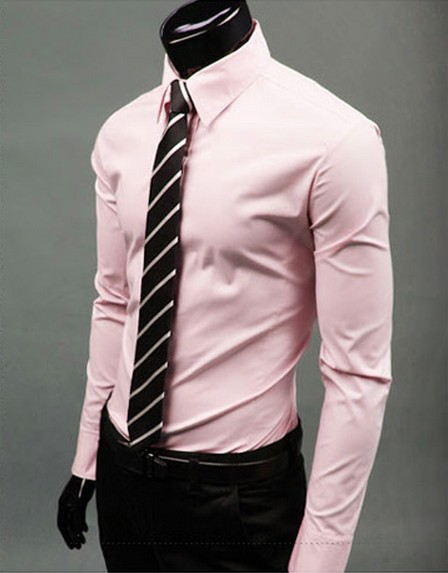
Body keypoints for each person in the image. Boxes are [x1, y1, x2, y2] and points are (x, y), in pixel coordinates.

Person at [57, 1, 393, 572]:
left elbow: (357, 373)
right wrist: (88, 458)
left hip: (237, 502)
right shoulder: (122, 134)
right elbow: (116, 300)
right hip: (123, 478)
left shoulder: (335, 140)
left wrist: (319, 560)